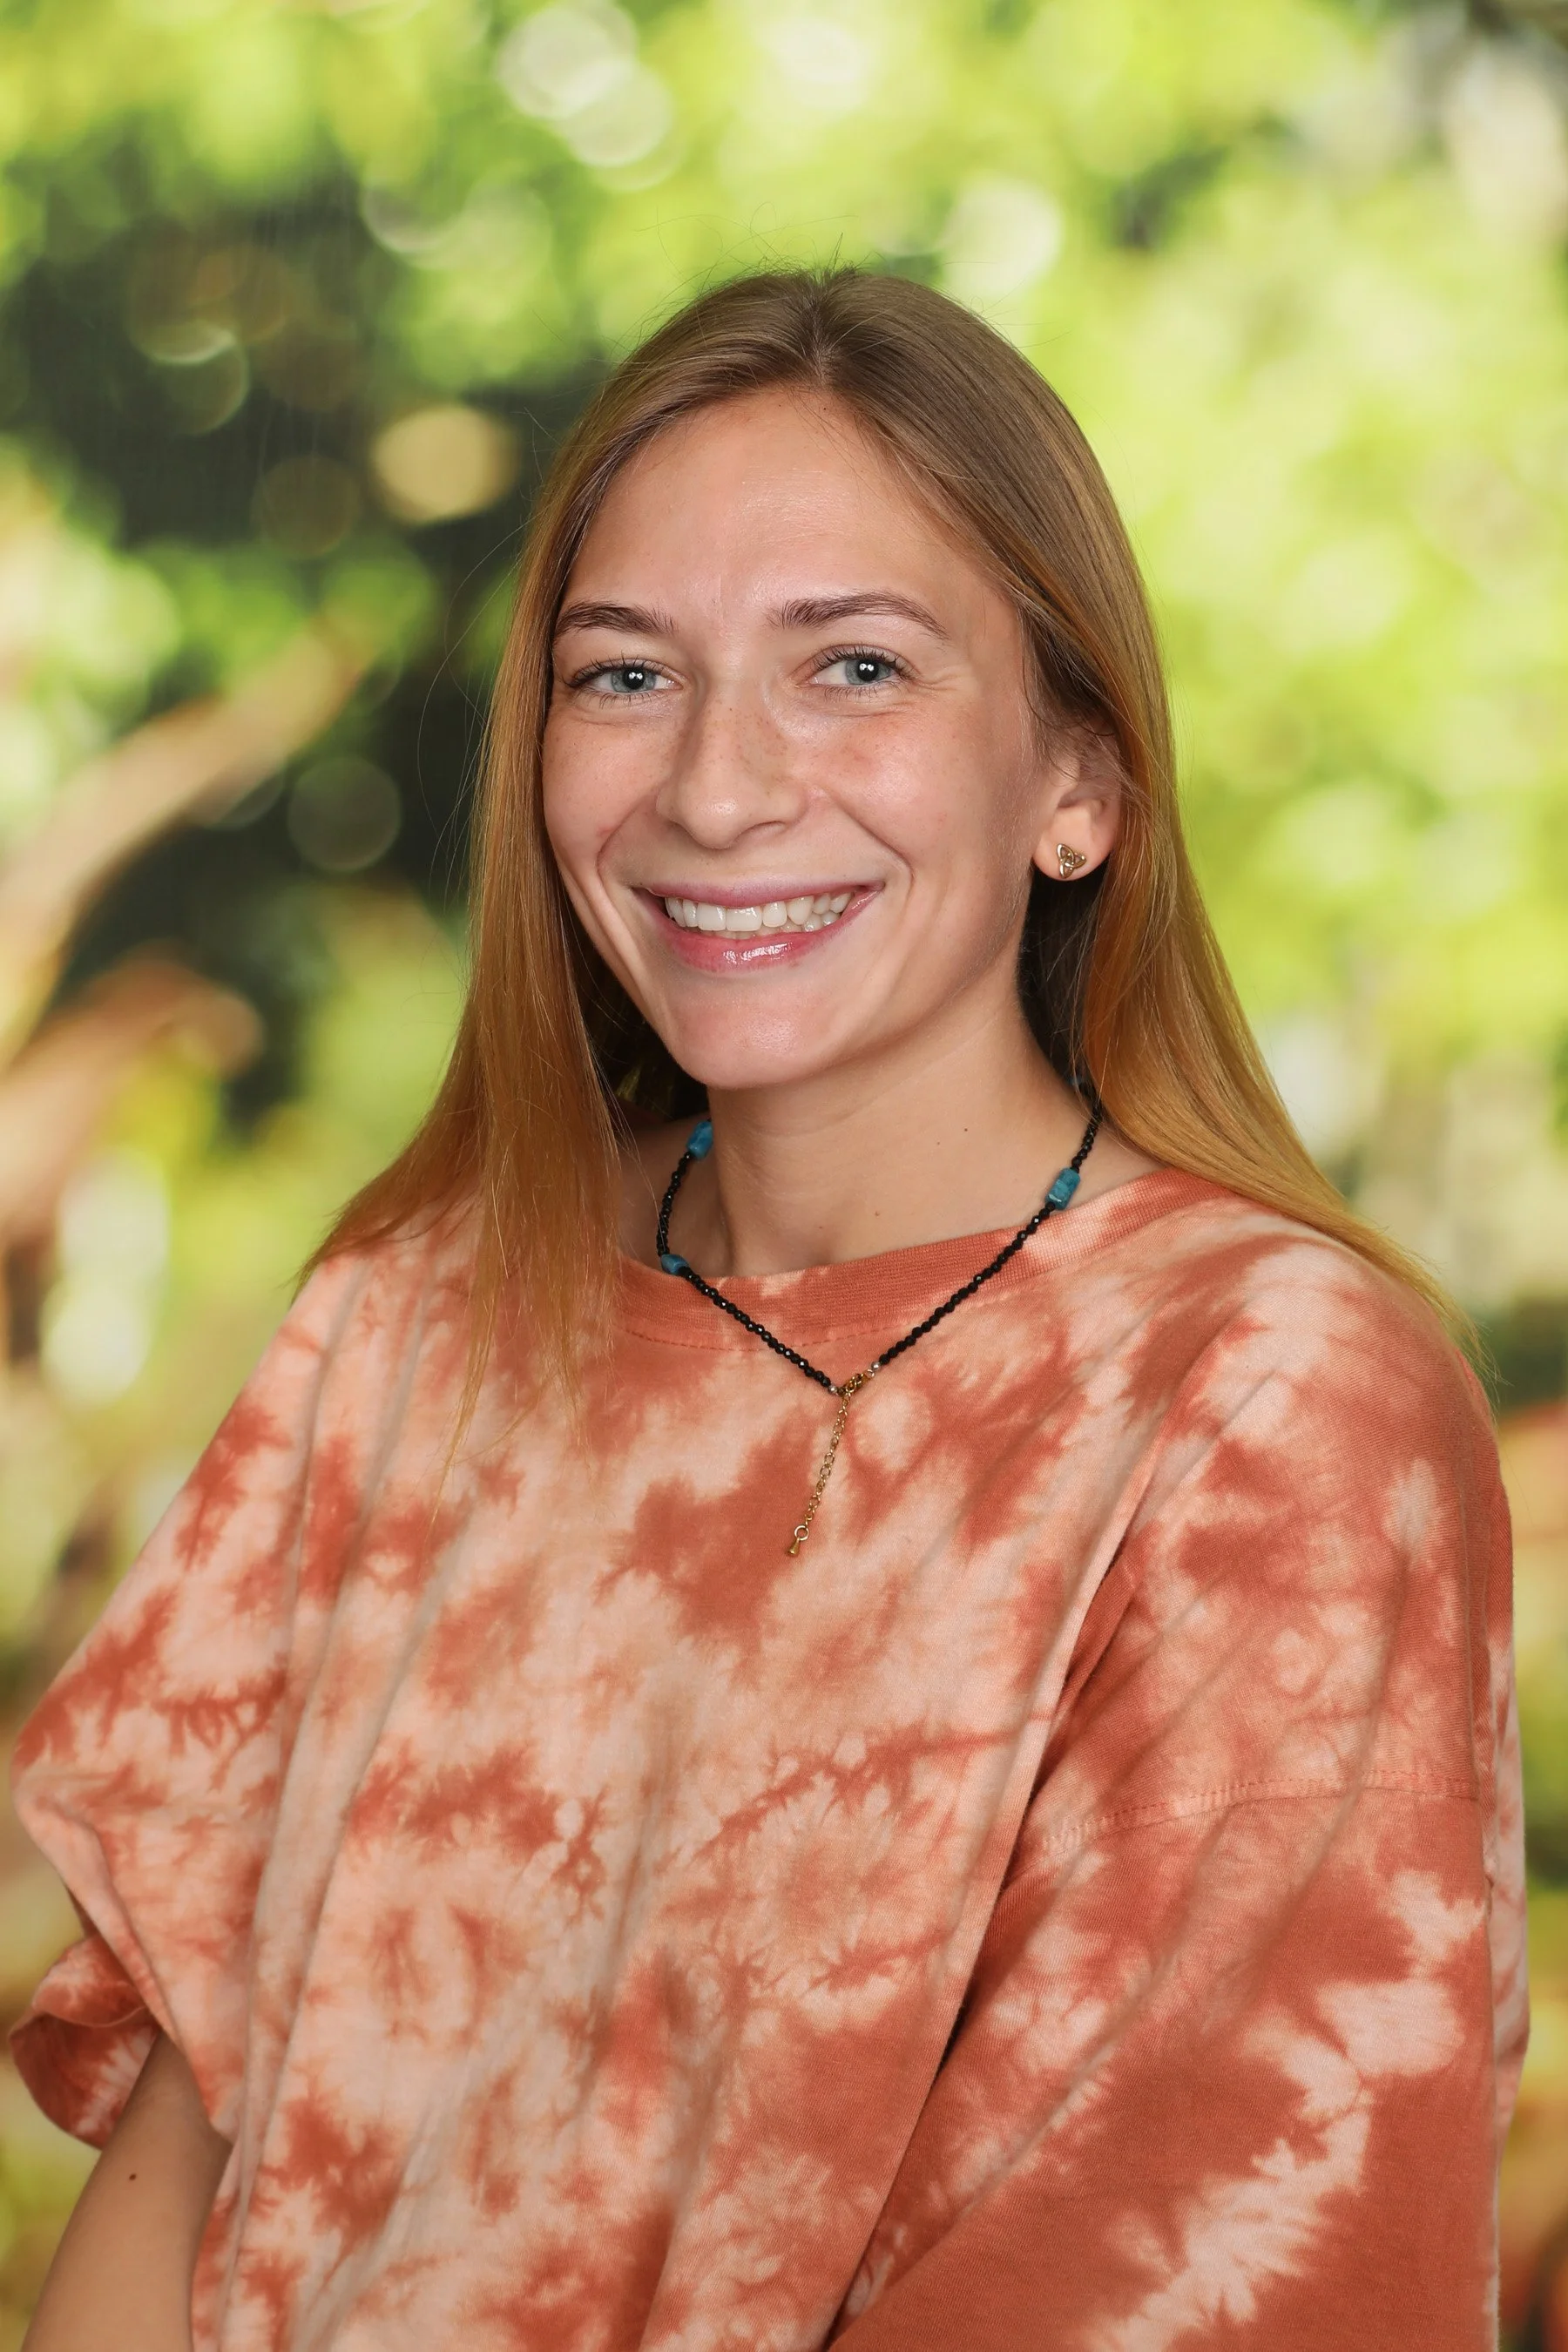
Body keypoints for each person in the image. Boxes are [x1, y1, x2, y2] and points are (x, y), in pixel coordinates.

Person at [11, 268, 1524, 2352]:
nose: (716, 790)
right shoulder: (413, 1328)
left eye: (856, 668)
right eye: (624, 676)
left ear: (1079, 784)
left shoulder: (1265, 1403)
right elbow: (189, 2162)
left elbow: (1165, 2273)